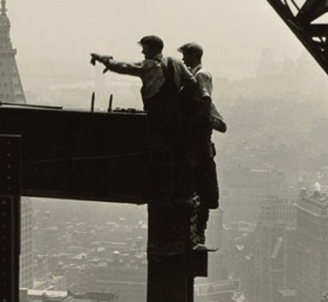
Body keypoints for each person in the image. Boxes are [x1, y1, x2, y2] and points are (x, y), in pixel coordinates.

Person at [90, 35, 197, 200]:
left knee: (159, 152)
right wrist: (178, 100)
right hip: (175, 116)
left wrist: (106, 62)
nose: (142, 51)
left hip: (158, 116)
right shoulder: (175, 62)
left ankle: (163, 191)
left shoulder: (150, 66)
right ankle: (175, 190)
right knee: (173, 152)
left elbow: (127, 66)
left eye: (145, 48)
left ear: (154, 49)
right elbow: (191, 82)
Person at [178, 42, 226, 245]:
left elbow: (205, 98)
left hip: (199, 147)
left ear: (193, 56)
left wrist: (197, 120)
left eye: (185, 56)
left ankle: (199, 232)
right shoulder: (192, 76)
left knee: (202, 190)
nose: (182, 60)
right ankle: (195, 231)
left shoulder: (201, 75)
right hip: (196, 145)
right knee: (198, 189)